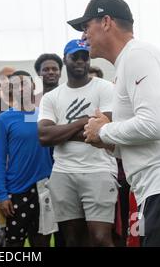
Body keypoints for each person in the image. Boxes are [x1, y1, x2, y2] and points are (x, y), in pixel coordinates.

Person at [73, 0, 160, 246]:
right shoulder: (130, 61)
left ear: (106, 22)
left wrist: (105, 131)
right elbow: (146, 138)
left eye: (86, 27)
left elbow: (153, 125)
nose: (83, 36)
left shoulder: (138, 55)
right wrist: (106, 141)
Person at [38, 40, 118, 247]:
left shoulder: (105, 88)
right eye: (75, 56)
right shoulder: (52, 97)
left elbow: (104, 131)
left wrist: (62, 131)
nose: (81, 61)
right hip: (63, 172)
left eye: (85, 56)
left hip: (99, 170)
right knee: (73, 240)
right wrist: (85, 122)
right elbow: (44, 137)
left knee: (101, 238)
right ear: (66, 59)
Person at [0, 70, 53, 247]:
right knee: (12, 245)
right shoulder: (4, 120)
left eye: (24, 83)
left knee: (42, 242)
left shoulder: (45, 116)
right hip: (16, 192)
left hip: (45, 190)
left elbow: (54, 154)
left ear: (33, 86)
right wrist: (2, 195)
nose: (20, 88)